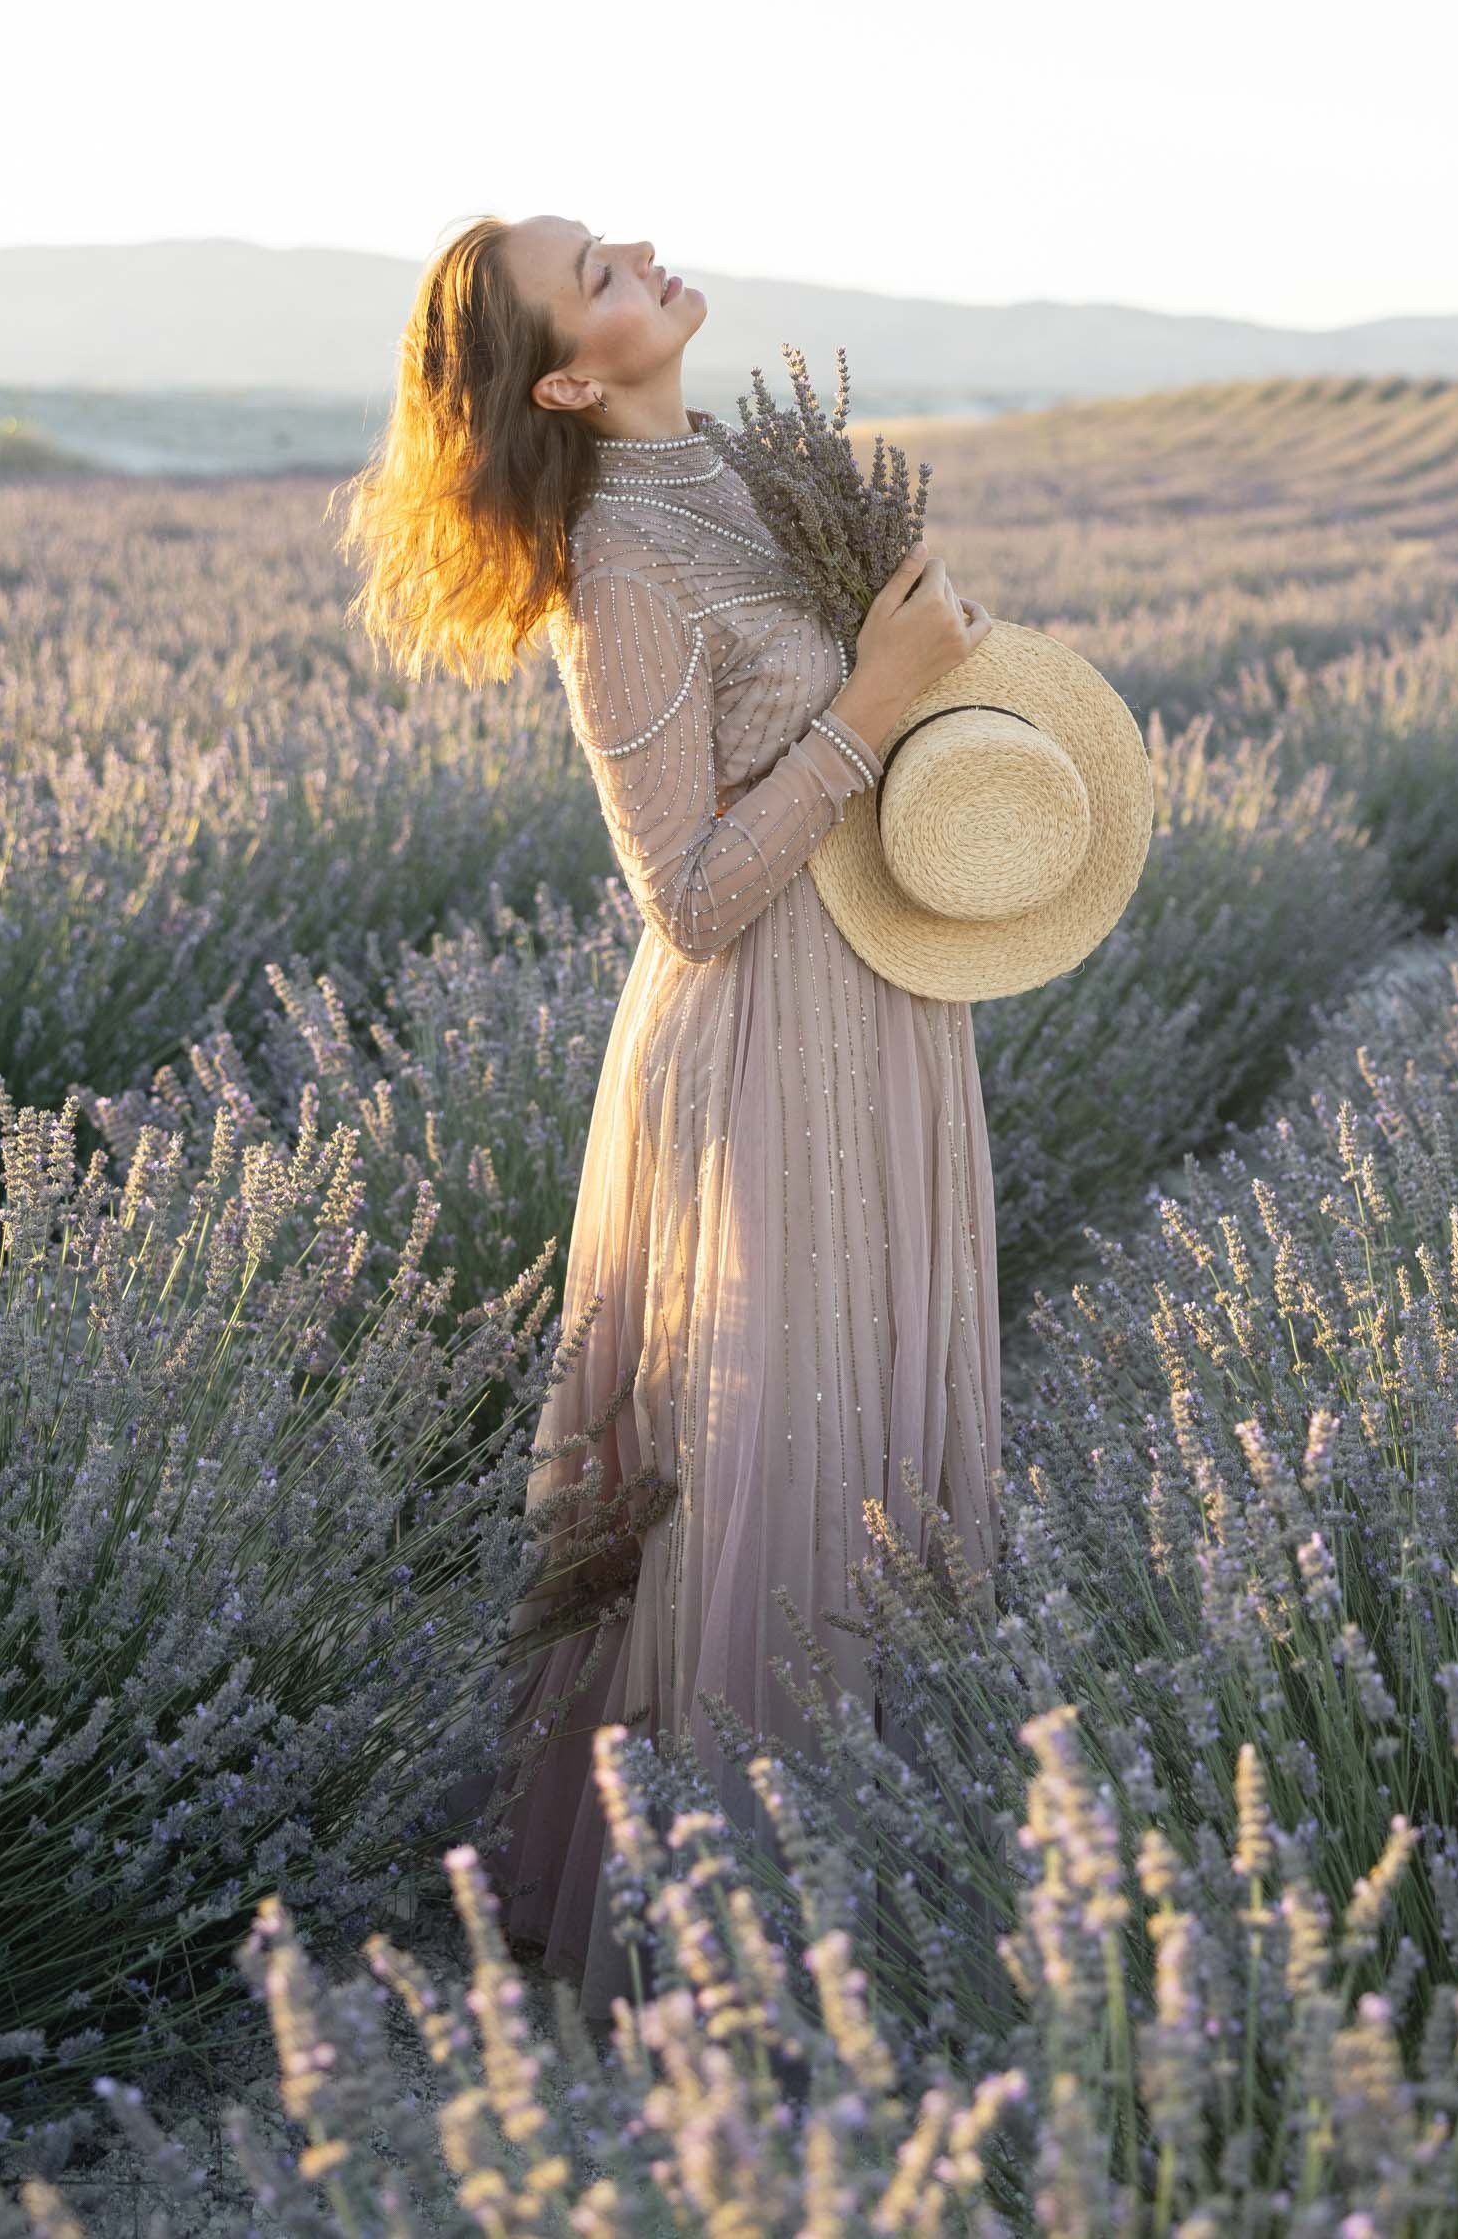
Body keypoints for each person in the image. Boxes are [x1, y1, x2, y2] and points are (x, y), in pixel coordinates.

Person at [334, 213, 1000, 2021]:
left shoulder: (771, 481)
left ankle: (876, 1852)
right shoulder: (623, 568)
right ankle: (732, 1925)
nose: (635, 248)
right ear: (565, 377)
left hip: (879, 1003)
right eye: (595, 274)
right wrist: (872, 702)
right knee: (768, 1438)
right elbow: (690, 897)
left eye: (611, 236)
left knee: (871, 1407)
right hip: (763, 1034)